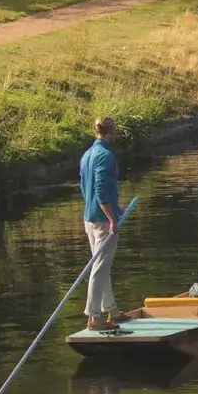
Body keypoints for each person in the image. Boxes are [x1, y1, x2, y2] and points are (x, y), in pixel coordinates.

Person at [81, 117, 123, 330]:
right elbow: (99, 190)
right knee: (99, 268)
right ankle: (93, 317)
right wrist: (112, 218)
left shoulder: (87, 154)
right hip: (102, 220)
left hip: (89, 218)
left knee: (101, 266)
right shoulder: (105, 156)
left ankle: (111, 309)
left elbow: (84, 188)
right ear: (110, 131)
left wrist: (115, 208)